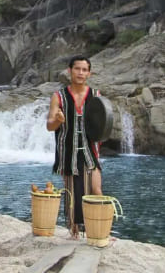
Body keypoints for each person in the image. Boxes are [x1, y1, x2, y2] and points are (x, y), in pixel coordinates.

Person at [47, 55, 103, 238]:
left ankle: (100, 230)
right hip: (68, 150)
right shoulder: (59, 96)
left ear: (89, 73)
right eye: (77, 69)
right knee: (72, 193)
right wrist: (58, 120)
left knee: (96, 189)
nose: (80, 73)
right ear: (69, 71)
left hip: (89, 150)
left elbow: (102, 124)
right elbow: (49, 126)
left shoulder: (96, 96)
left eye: (84, 70)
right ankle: (74, 231)